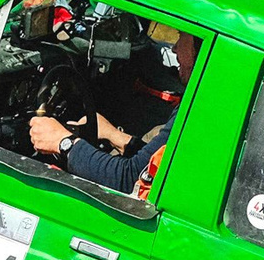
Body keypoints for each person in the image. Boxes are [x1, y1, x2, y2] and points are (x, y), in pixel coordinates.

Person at [30, 30, 198, 195]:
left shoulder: (197, 113)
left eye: (181, 37)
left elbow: (131, 179)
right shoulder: (205, 102)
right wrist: (115, 136)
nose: (175, 48)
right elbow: (153, 165)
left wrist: (63, 142)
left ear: (198, 46)